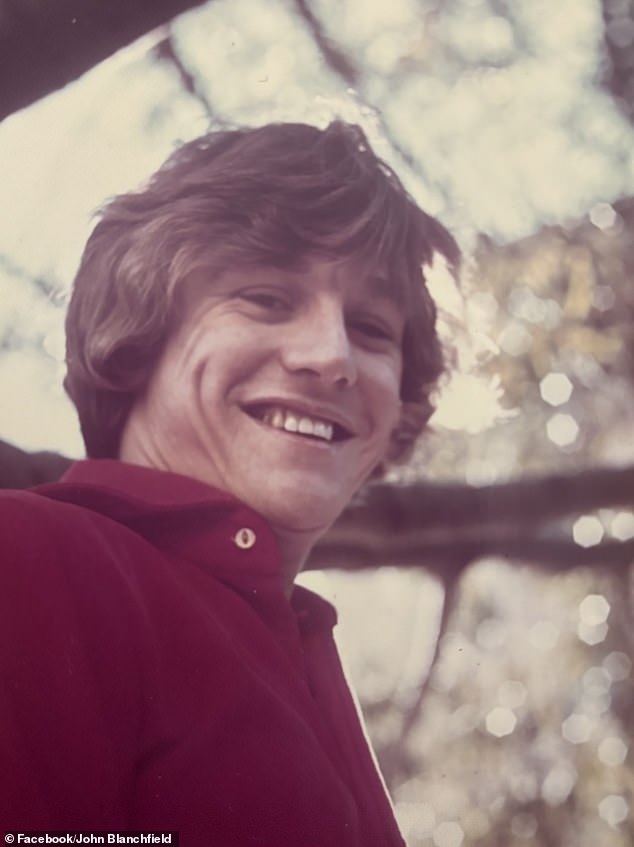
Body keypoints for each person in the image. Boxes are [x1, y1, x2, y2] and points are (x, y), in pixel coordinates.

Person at [0, 121, 459, 844]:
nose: (333, 356)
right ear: (137, 333)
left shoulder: (302, 646)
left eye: (372, 328)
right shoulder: (26, 552)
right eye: (267, 298)